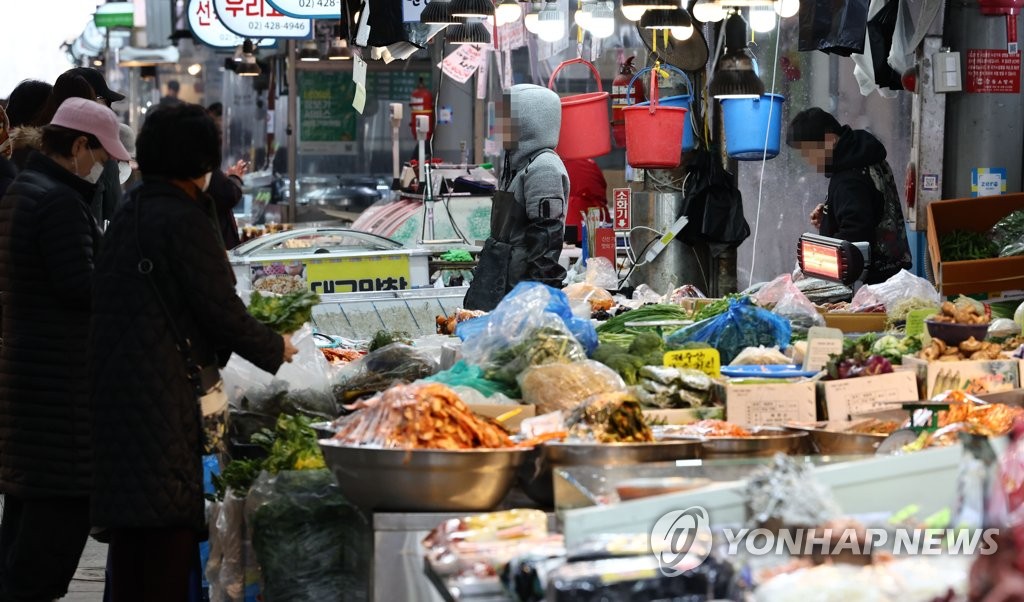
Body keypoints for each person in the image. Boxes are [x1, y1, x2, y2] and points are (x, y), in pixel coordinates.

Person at [88, 103, 296, 602]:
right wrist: (277, 346)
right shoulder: (181, 218)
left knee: (134, 538)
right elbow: (219, 308)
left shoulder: (131, 209)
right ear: (198, 159)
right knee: (165, 535)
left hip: (119, 394)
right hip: (163, 401)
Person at [0, 97, 130, 602]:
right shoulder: (57, 201)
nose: (102, 169)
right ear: (79, 146)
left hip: (30, 378)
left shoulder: (23, 190)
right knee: (48, 543)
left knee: (24, 531)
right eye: (100, 157)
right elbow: (81, 289)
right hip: (58, 393)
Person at [463, 84, 569, 311]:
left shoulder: (544, 168)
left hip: (519, 292)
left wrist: (535, 302)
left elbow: (547, 242)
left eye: (507, 119)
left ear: (531, 122)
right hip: (501, 282)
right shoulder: (517, 165)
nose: (500, 128)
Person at [787, 107, 912, 284]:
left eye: (808, 152)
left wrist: (815, 261)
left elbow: (855, 238)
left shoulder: (849, 179)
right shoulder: (867, 157)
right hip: (893, 271)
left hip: (870, 284)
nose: (808, 160)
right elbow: (871, 208)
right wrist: (830, 217)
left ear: (829, 140)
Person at [563, 158, 609, 244]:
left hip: (569, 219)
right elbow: (601, 187)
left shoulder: (562, 164)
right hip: (594, 217)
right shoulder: (590, 164)